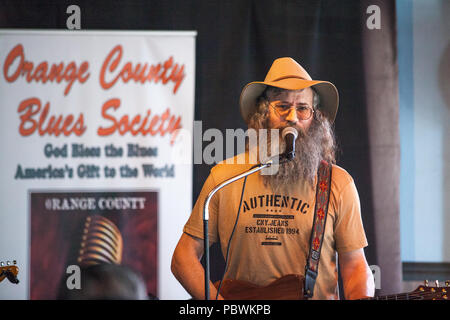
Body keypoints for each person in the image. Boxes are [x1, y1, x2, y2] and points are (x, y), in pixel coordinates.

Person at [171, 57, 375, 300]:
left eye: (302, 108)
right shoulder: (225, 177)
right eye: (282, 106)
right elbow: (183, 257)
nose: (292, 117)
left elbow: (355, 266)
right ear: (262, 113)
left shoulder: (337, 183)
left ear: (314, 117)